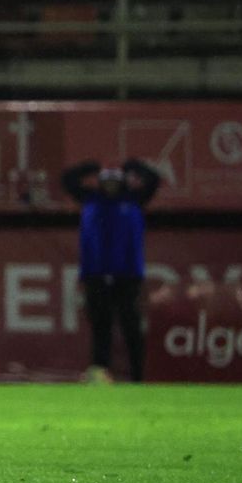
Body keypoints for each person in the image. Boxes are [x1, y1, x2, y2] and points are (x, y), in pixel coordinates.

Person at [62, 158, 162, 383]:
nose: (110, 185)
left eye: (115, 181)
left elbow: (154, 180)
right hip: (96, 274)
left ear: (122, 182)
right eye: (106, 181)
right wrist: (89, 166)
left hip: (127, 275)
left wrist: (134, 166)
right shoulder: (90, 199)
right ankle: (100, 372)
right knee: (101, 327)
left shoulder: (134, 200)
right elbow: (67, 180)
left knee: (131, 327)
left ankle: (138, 375)